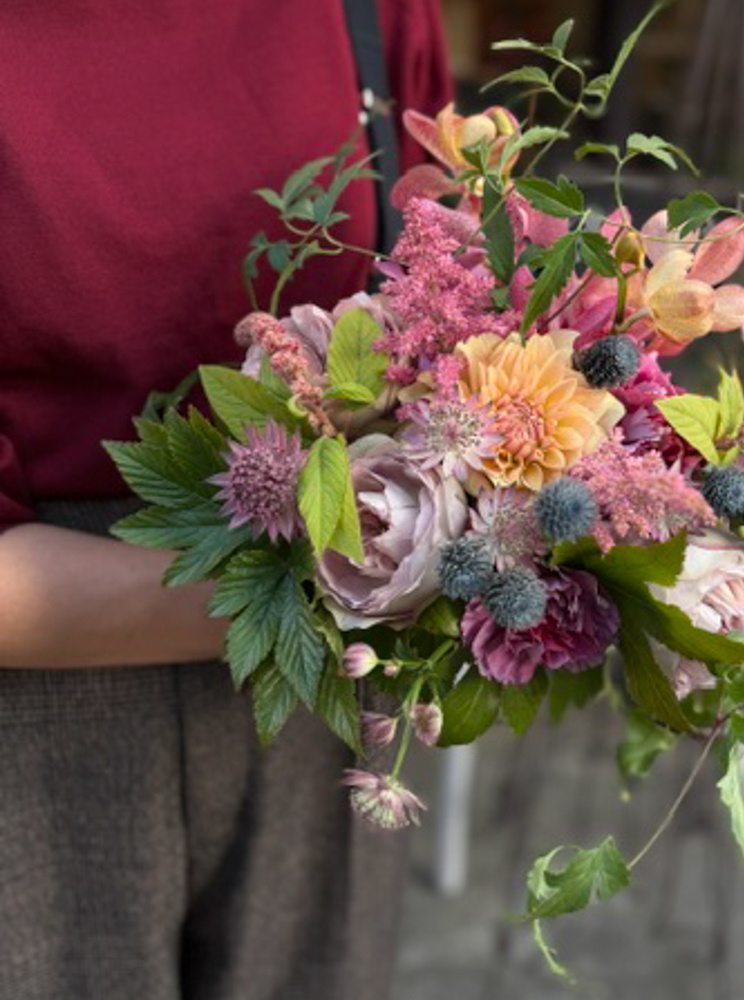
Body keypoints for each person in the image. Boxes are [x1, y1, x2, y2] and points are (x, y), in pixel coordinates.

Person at [0, 2, 452, 998]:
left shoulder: (371, 13)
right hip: (34, 706)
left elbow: (459, 301)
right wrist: (386, 573)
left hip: (334, 691)